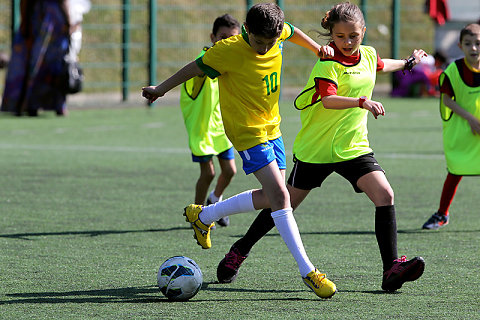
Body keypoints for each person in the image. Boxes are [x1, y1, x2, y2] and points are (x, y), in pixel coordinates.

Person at [215, 2, 427, 294]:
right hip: (316, 150)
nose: (348, 42)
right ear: (331, 36)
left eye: (353, 36)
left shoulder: (367, 54)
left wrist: (408, 63)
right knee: (284, 204)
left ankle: (391, 268)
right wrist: (362, 102)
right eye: (340, 37)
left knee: (385, 194)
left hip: (353, 148)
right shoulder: (327, 63)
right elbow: (328, 99)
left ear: (363, 32)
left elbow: (380, 64)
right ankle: (240, 248)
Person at [143, 3, 337, 299]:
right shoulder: (228, 49)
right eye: (260, 42)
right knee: (282, 197)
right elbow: (194, 67)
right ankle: (308, 271)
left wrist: (316, 48)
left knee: (272, 198)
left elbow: (292, 31)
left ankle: (204, 215)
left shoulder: (277, 32)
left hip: (273, 126)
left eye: (271, 43)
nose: (265, 48)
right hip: (246, 131)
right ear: (247, 30)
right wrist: (161, 88)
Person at [179, 14, 240, 227]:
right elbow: (195, 75)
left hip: (221, 128)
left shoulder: (232, 63)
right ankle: (197, 213)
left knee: (230, 171)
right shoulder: (205, 62)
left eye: (232, 38)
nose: (226, 42)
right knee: (208, 173)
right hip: (202, 129)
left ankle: (215, 199)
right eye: (222, 37)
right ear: (212, 37)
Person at [422, 23, 480, 230]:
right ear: (460, 45)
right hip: (463, 133)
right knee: (455, 171)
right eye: (468, 44)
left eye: (478, 44)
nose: (473, 48)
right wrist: (471, 119)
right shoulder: (453, 71)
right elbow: (447, 100)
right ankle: (442, 214)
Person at [1, 0, 71, 116]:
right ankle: (52, 105)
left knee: (37, 61)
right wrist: (69, 21)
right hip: (50, 18)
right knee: (52, 62)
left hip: (38, 16)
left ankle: (29, 104)